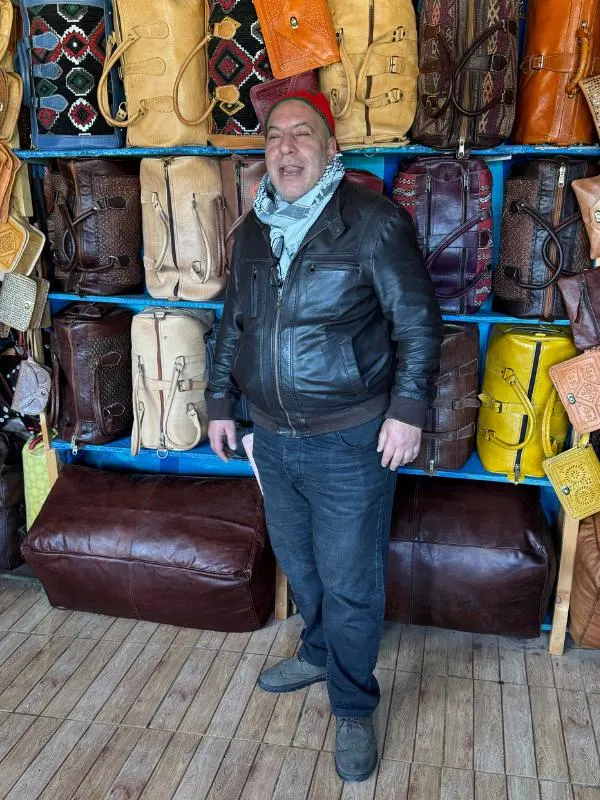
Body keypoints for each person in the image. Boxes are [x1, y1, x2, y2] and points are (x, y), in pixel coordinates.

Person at [206, 89, 443, 783]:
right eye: (274, 136)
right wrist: (222, 401)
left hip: (349, 439)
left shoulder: (372, 223)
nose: (285, 147)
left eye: (301, 134)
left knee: (350, 582)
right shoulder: (254, 227)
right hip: (273, 438)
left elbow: (419, 326)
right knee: (300, 563)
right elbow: (233, 325)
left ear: (330, 148)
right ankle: (316, 650)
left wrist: (407, 410)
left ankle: (352, 704)